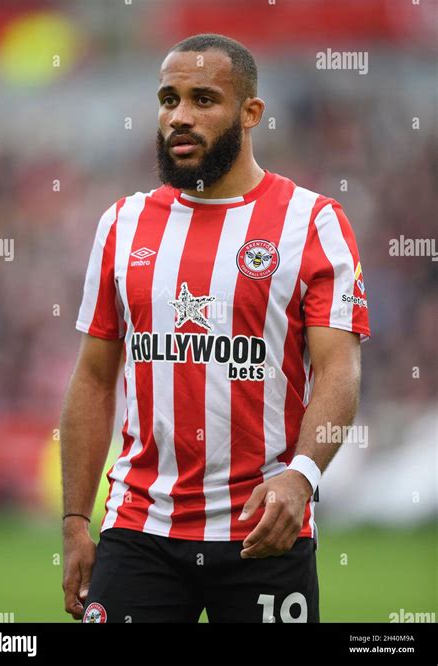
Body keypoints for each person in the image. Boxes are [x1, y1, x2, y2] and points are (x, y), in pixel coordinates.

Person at [61, 33, 370, 623]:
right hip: (140, 527)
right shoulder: (122, 224)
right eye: (168, 98)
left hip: (266, 525)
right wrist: (77, 521)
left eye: (204, 99)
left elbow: (339, 368)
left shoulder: (314, 222)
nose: (179, 116)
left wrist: (301, 479)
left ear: (251, 113)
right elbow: (94, 380)